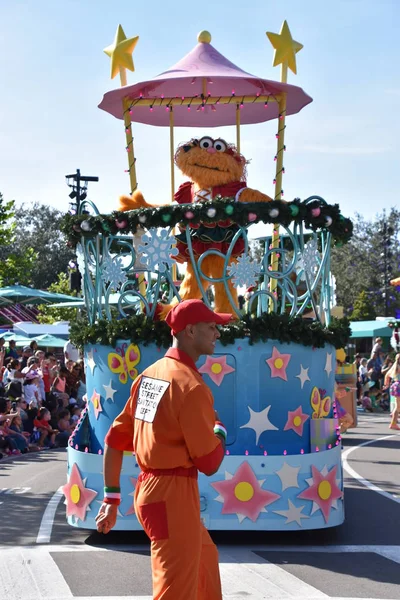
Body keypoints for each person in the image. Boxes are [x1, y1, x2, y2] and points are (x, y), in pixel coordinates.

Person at [95, 299, 231, 600]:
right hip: (173, 496)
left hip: (151, 492)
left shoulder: (149, 375)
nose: (217, 333)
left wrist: (111, 498)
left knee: (204, 560)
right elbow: (209, 462)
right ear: (190, 331)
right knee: (174, 591)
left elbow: (115, 441)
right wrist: (220, 432)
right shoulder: (191, 386)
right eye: (212, 327)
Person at [384, 353, 400, 430]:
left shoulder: (394, 367)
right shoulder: (398, 367)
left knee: (397, 406)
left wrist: (386, 384)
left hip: (395, 385)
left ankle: (394, 419)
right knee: (398, 407)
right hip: (399, 386)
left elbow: (387, 375)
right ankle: (393, 423)